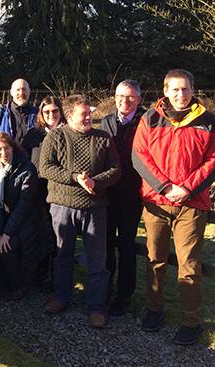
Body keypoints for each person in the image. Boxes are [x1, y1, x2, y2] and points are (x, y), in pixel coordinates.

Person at [132, 69, 215, 345]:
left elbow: (212, 161)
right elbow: (139, 156)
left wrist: (187, 188)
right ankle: (154, 310)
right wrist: (165, 187)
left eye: (186, 89)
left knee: (189, 265)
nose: (181, 95)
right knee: (155, 260)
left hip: (191, 204)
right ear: (165, 91)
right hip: (157, 203)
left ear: (193, 90)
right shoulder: (151, 119)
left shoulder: (207, 121)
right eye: (175, 89)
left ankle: (191, 321)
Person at [39, 94, 120, 329]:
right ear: (70, 115)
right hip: (62, 205)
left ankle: (96, 306)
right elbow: (46, 168)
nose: (89, 117)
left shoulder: (103, 138)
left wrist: (96, 182)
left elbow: (116, 169)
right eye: (84, 114)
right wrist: (75, 178)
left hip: (95, 208)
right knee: (63, 255)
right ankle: (62, 296)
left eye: (90, 113)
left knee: (98, 259)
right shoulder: (55, 136)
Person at [99, 80, 146, 316]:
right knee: (105, 242)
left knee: (127, 245)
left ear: (138, 99)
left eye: (129, 97)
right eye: (119, 96)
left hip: (131, 193)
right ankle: (105, 288)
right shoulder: (106, 121)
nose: (123, 101)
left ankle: (124, 295)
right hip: (107, 193)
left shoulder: (147, 121)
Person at [0, 133, 45, 300]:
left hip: (25, 217)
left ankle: (19, 285)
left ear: (13, 148)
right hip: (1, 214)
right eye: (0, 149)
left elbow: (24, 205)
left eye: (7, 148)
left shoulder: (26, 168)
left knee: (9, 245)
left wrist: (6, 234)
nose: (4, 153)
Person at [20, 95, 66, 287]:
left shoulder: (68, 132)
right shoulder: (33, 134)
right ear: (41, 113)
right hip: (38, 191)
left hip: (61, 191)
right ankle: (40, 271)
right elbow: (23, 160)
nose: (51, 115)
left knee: (59, 234)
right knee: (40, 231)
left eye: (55, 111)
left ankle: (58, 273)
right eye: (46, 111)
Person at [0, 79, 39, 144]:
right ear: (11, 92)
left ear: (29, 92)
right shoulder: (0, 113)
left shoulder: (38, 114)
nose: (21, 93)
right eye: (18, 90)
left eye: (24, 89)